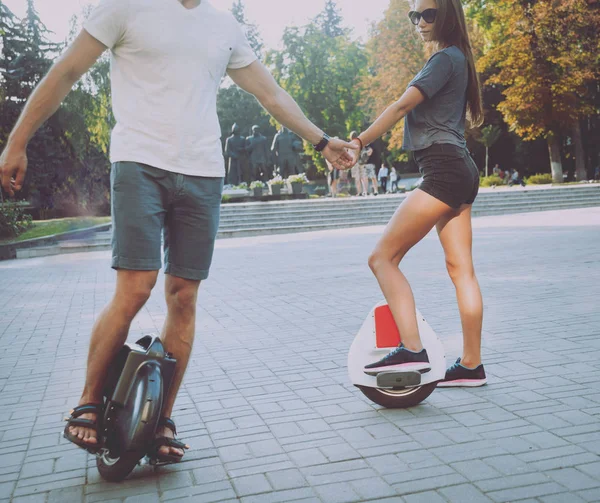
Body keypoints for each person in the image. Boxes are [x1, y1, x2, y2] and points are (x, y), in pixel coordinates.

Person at [0, 0, 357, 462]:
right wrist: (17, 140)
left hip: (204, 173)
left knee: (184, 296)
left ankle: (162, 418)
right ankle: (87, 401)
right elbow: (66, 71)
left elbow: (271, 94)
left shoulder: (224, 25)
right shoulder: (125, 8)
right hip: (139, 164)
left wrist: (322, 141)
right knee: (135, 288)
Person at [346, 0, 487, 387]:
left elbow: (400, 106)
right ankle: (472, 366)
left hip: (443, 169)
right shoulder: (457, 58)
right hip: (459, 167)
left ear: (447, 15)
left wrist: (358, 142)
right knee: (461, 271)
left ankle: (412, 348)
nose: (419, 22)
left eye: (428, 14)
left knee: (382, 258)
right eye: (414, 15)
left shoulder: (443, 60)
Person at [349, 131, 367, 196]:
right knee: (363, 177)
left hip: (355, 162)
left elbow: (350, 154)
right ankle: (365, 191)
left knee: (357, 178)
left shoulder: (350, 144)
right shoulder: (361, 142)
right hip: (362, 162)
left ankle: (359, 192)